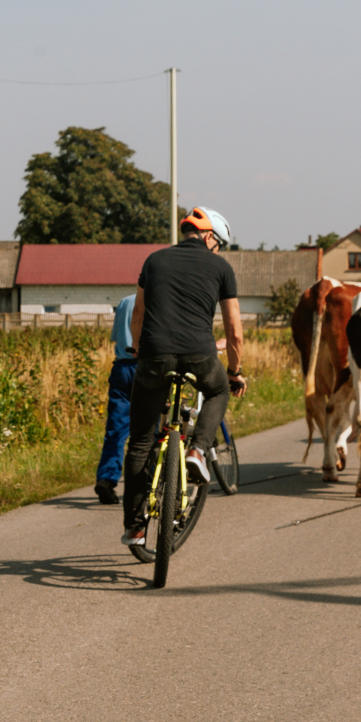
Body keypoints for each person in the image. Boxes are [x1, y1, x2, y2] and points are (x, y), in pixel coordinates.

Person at [120, 206, 246, 559]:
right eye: (217, 244)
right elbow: (234, 332)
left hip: (154, 356)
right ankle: (197, 449)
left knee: (141, 443)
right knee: (219, 388)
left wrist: (136, 347)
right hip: (199, 356)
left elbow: (139, 315)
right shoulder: (221, 267)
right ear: (209, 237)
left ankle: (135, 524)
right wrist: (235, 372)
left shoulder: (154, 261)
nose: (217, 251)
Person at [94, 290, 138, 504]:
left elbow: (116, 336)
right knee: (154, 426)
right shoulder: (158, 300)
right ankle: (146, 480)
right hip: (145, 366)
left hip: (121, 367)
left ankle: (107, 478)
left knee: (116, 429)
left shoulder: (125, 301)